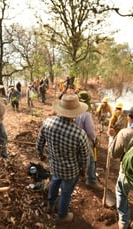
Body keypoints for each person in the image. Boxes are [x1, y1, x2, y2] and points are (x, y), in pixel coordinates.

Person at [36, 94, 90, 224]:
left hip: (55, 165)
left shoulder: (47, 122)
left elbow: (39, 142)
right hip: (71, 171)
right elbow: (84, 157)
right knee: (66, 192)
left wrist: (41, 154)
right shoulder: (79, 134)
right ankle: (62, 215)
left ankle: (50, 204)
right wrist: (84, 170)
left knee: (54, 181)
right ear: (75, 113)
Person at [75, 91, 99, 188]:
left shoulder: (72, 111)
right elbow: (90, 131)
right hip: (84, 141)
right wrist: (94, 139)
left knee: (77, 157)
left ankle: (78, 176)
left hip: (72, 139)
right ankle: (91, 180)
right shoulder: (86, 114)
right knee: (91, 160)